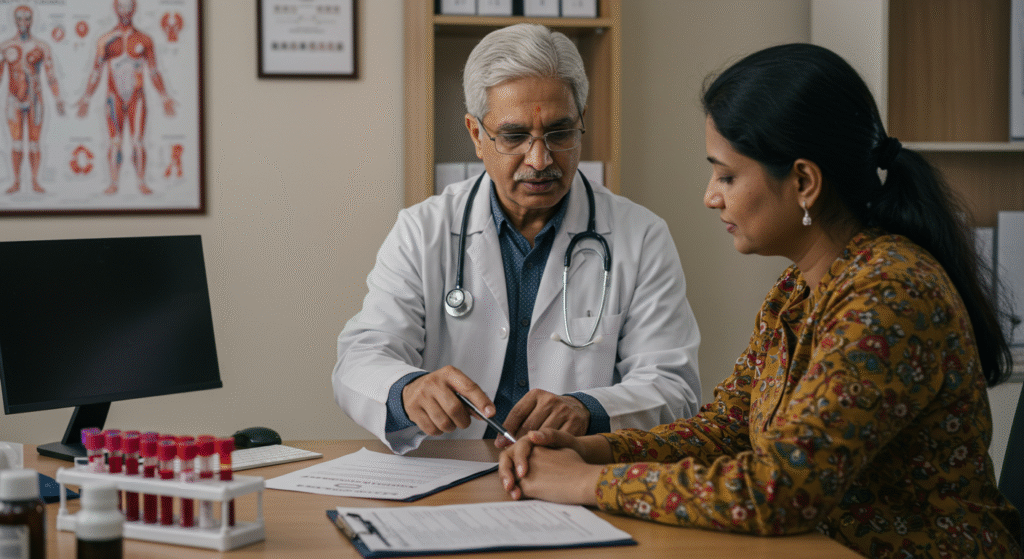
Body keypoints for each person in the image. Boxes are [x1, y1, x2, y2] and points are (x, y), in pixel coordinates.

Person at [497, 43, 1022, 558]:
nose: (711, 195)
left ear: (803, 182)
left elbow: (782, 491)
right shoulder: (797, 292)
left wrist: (588, 484)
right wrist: (597, 449)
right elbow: (727, 428)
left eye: (727, 175)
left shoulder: (889, 294)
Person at [333, 23, 701, 455]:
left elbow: (674, 388)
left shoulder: (640, 236)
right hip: (452, 475)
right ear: (476, 135)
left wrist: (589, 409)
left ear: (581, 124)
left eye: (560, 133)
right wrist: (407, 391)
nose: (540, 159)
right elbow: (359, 360)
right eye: (514, 136)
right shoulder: (423, 230)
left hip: (574, 475)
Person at [75, 0, 175, 196]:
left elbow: (154, 71)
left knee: (138, 141)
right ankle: (113, 182)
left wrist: (164, 96)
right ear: (115, 8)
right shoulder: (105, 40)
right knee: (115, 142)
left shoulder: (144, 39)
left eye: (129, 7)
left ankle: (140, 182)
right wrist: (86, 98)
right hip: (114, 99)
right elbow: (96, 72)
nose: (125, 11)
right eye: (121, 6)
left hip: (137, 97)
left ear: (134, 9)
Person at [0, 5, 65, 194]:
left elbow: (51, 75)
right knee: (17, 143)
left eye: (27, 19)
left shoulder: (42, 47)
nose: (23, 23)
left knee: (35, 142)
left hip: (35, 99)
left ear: (32, 20)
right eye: (19, 18)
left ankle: (35, 181)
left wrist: (58, 97)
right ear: (14, 20)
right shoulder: (5, 47)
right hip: (13, 99)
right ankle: (17, 182)